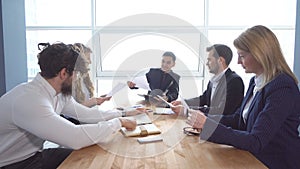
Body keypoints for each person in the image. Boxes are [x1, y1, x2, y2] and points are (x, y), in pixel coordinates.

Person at [0, 42, 143, 169]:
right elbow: (75, 138)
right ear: (63, 73)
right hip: (10, 164)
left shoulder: (59, 94)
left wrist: (123, 113)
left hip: (34, 156)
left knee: (94, 157)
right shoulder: (30, 100)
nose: (77, 79)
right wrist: (118, 122)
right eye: (76, 74)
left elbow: (87, 115)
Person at [186, 25, 300, 169]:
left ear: (260, 54)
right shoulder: (255, 81)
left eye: (242, 56)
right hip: (252, 158)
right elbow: (238, 119)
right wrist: (203, 119)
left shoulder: (282, 87)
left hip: (273, 163)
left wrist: (208, 126)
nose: (238, 62)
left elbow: (256, 140)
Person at [171, 44, 244, 115]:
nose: (206, 63)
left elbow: (221, 111)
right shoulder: (213, 80)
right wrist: (183, 103)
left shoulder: (234, 81)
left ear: (220, 60)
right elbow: (203, 99)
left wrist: (187, 110)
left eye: (209, 60)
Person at [72, 43, 111, 108]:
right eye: (88, 58)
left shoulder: (83, 78)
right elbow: (71, 110)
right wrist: (94, 101)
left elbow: (85, 104)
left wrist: (98, 100)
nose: (90, 62)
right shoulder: (72, 80)